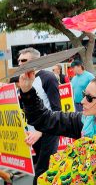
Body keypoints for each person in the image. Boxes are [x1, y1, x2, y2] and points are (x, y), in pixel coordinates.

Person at [18, 75, 96, 184]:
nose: (82, 101)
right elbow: (44, 119)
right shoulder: (83, 121)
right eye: (84, 95)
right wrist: (27, 91)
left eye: (89, 98)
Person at [17, 48, 61, 184]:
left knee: (42, 171)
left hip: (48, 131)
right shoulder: (23, 78)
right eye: (18, 60)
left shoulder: (48, 77)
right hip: (33, 133)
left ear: (36, 61)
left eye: (23, 60)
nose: (19, 63)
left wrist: (40, 131)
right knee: (47, 171)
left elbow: (56, 109)